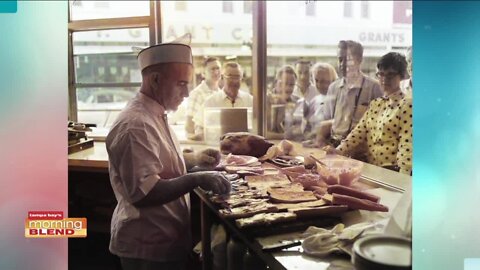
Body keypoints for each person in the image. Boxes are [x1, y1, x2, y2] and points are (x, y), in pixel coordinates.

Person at [105, 41, 231, 270]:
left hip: (166, 240)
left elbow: (161, 165)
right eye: (181, 84)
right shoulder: (135, 125)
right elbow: (146, 193)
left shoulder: (155, 115)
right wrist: (196, 180)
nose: (186, 93)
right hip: (148, 246)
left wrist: (196, 164)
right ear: (155, 80)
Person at [324, 52, 412, 175]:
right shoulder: (376, 104)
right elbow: (358, 133)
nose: (384, 79)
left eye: (390, 75)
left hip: (392, 171)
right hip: (372, 169)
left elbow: (407, 147)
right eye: (381, 74)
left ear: (402, 76)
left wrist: (404, 180)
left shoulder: (407, 104)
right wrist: (338, 151)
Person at [319, 40, 382, 147]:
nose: (342, 64)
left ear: (360, 60)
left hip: (360, 149)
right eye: (340, 59)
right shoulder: (333, 87)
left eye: (348, 60)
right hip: (334, 146)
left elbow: (379, 126)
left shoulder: (374, 87)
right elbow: (327, 121)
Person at [185, 57, 222, 140]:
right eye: (212, 69)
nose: (216, 72)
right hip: (204, 142)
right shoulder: (197, 93)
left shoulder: (221, 94)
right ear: (203, 73)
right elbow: (189, 126)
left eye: (218, 68)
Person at [303, 62, 338, 140]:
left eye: (323, 81)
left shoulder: (339, 100)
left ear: (333, 80)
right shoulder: (314, 101)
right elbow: (307, 128)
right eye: (316, 80)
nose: (318, 85)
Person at [266, 65, 299, 136]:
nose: (287, 88)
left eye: (291, 85)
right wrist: (284, 136)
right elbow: (260, 133)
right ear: (276, 83)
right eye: (284, 83)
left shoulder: (297, 102)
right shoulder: (265, 101)